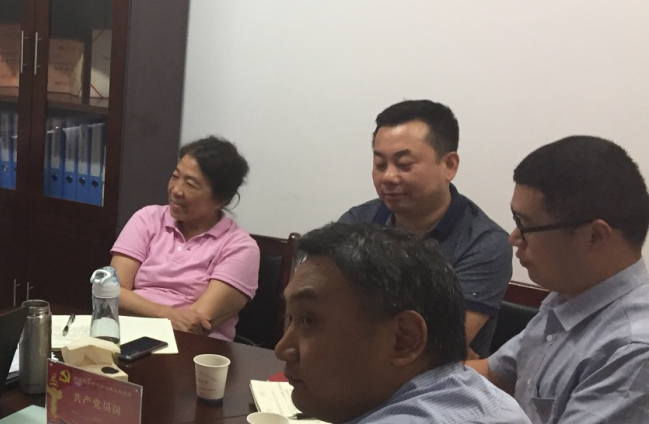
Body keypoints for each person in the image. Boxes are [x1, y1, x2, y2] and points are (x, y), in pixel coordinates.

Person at [468, 136, 649, 423]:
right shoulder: (569, 297)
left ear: (594, 236)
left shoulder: (632, 351)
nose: (513, 238)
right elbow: (494, 373)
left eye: (524, 225)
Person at [276, 221, 529, 423]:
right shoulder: (476, 394)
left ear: (404, 339)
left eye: (308, 320)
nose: (282, 349)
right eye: (291, 319)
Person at [339, 99, 512, 357]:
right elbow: (322, 311)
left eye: (404, 164)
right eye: (380, 165)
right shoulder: (357, 221)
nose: (388, 177)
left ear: (449, 165)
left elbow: (435, 347)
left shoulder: (484, 243)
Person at [109, 136, 259, 340]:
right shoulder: (147, 218)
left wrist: (137, 306)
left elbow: (194, 324)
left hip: (192, 347)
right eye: (175, 176)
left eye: (190, 184)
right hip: (128, 334)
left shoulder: (240, 247)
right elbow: (112, 292)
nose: (176, 190)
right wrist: (166, 315)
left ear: (220, 199)